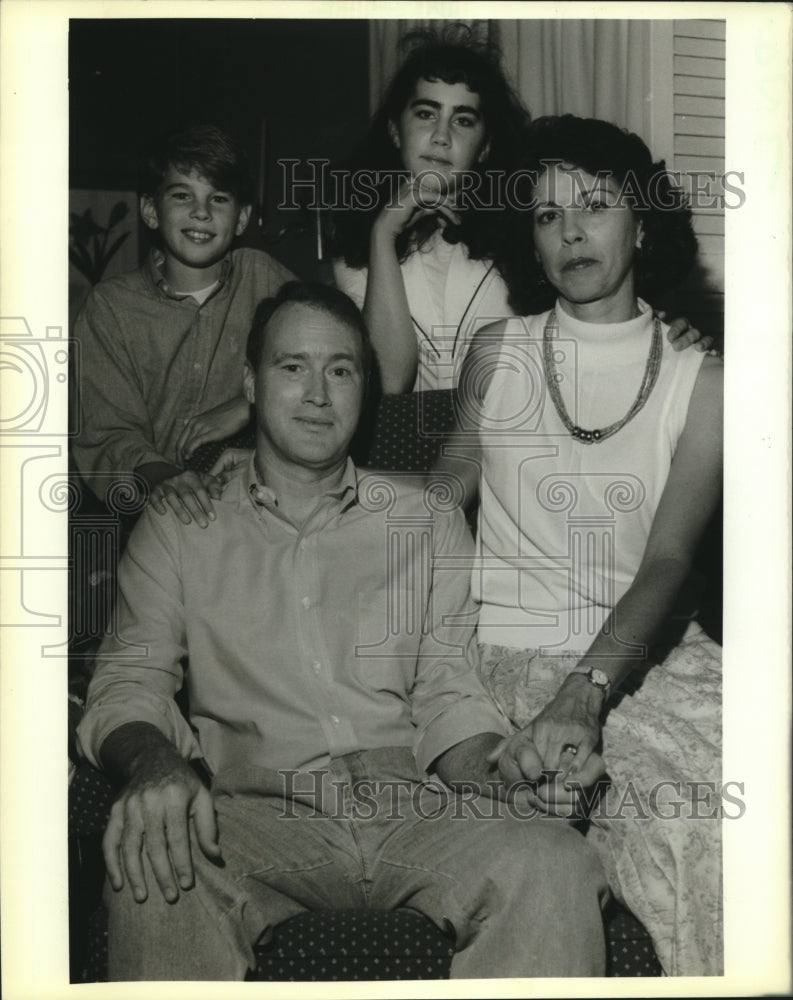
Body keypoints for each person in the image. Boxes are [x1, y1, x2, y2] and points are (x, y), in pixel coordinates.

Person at [76, 281, 609, 981]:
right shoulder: (181, 527)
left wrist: (510, 780)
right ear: (250, 382)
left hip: (415, 807)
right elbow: (127, 686)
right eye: (292, 367)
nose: (318, 394)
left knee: (555, 862)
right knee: (153, 869)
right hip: (256, 813)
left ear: (364, 390)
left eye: (341, 369)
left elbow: (449, 699)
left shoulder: (424, 520)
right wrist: (154, 764)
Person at [434, 116, 724, 976]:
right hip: (512, 658)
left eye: (594, 206)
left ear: (642, 223)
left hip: (643, 662)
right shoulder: (497, 350)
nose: (569, 231)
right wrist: (302, 468)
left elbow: (669, 562)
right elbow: (447, 485)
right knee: (684, 826)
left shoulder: (701, 376)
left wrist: (586, 690)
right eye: (545, 213)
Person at [331, 26, 711, 395]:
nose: (441, 136)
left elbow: (599, 320)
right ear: (395, 130)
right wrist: (382, 235)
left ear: (484, 147)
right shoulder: (356, 253)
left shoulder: (527, 232)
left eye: (463, 120)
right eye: (427, 114)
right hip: (400, 449)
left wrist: (668, 334)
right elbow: (389, 382)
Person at [71, 123, 295, 513]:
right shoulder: (109, 308)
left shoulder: (264, 277)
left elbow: (327, 358)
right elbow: (108, 435)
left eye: (219, 199)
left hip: (255, 501)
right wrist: (165, 479)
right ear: (150, 210)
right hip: (149, 507)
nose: (201, 212)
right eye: (181, 195)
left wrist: (252, 401)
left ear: (241, 219)